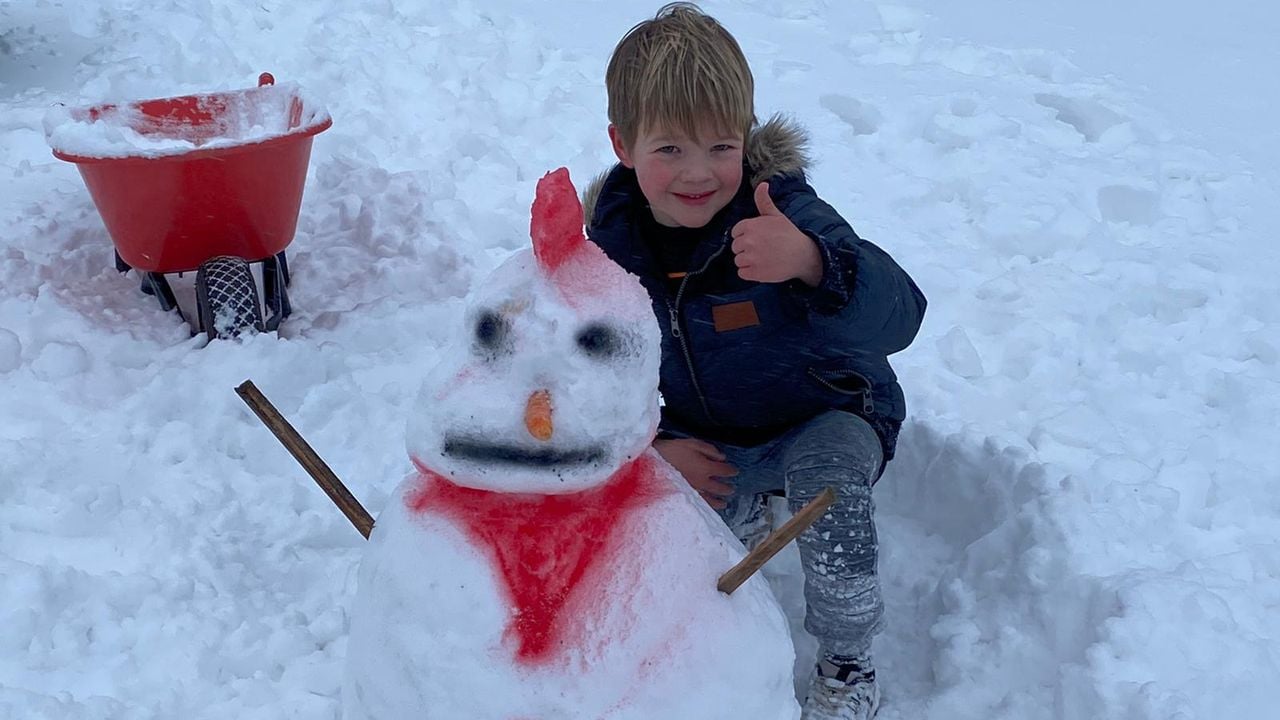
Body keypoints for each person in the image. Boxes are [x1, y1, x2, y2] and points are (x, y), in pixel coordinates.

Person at [583, 4, 927, 719]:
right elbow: (589, 370)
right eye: (669, 149)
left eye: (719, 146)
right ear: (623, 144)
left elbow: (902, 315)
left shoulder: (785, 211)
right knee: (697, 553)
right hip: (710, 436)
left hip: (827, 414)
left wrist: (812, 263)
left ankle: (847, 661)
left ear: (745, 138)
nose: (699, 173)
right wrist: (654, 448)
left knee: (827, 490)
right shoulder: (612, 245)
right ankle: (718, 642)